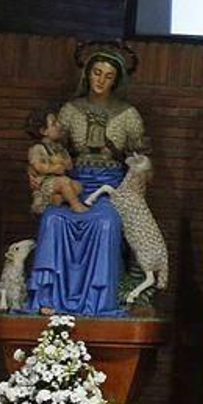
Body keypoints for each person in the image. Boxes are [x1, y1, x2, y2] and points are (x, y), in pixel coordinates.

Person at [29, 42, 147, 315]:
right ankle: (50, 298)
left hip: (111, 187)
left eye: (108, 76)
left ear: (116, 80)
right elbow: (51, 146)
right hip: (76, 184)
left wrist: (115, 150)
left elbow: (140, 158)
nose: (101, 81)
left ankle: (98, 302)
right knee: (53, 220)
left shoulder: (128, 115)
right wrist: (38, 173)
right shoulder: (71, 110)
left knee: (106, 223)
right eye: (96, 73)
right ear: (87, 74)